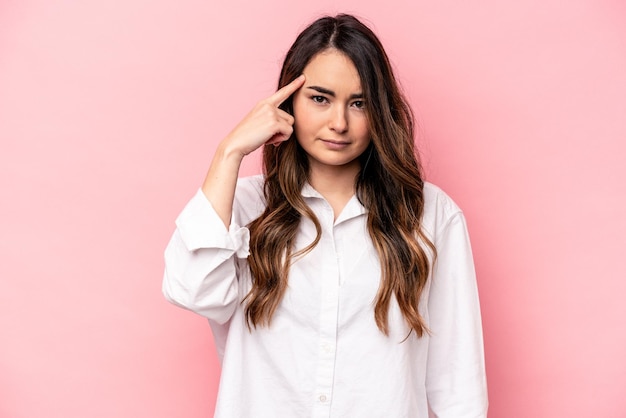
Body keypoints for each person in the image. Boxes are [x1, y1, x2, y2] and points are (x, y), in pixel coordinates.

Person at [163, 13, 488, 418]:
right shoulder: (244, 206)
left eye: (359, 103)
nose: (339, 123)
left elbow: (458, 383)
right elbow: (191, 290)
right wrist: (228, 152)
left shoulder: (431, 215)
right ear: (288, 102)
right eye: (320, 98)